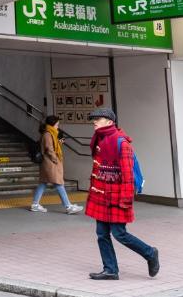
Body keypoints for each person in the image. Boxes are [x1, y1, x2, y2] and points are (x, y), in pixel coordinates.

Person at [86, 108, 159, 281]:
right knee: (102, 234)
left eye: (99, 119)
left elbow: (127, 175)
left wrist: (126, 200)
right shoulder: (99, 139)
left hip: (116, 196)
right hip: (101, 195)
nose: (94, 121)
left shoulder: (121, 143)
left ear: (109, 122)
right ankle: (110, 269)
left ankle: (150, 253)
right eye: (94, 119)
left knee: (119, 234)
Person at [30, 116, 83, 215]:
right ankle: (68, 206)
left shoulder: (50, 133)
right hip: (50, 163)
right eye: (57, 124)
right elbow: (49, 149)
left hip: (48, 163)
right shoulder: (48, 134)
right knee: (58, 183)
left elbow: (52, 147)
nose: (58, 126)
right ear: (52, 124)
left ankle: (35, 204)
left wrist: (59, 143)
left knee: (43, 183)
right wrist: (55, 160)